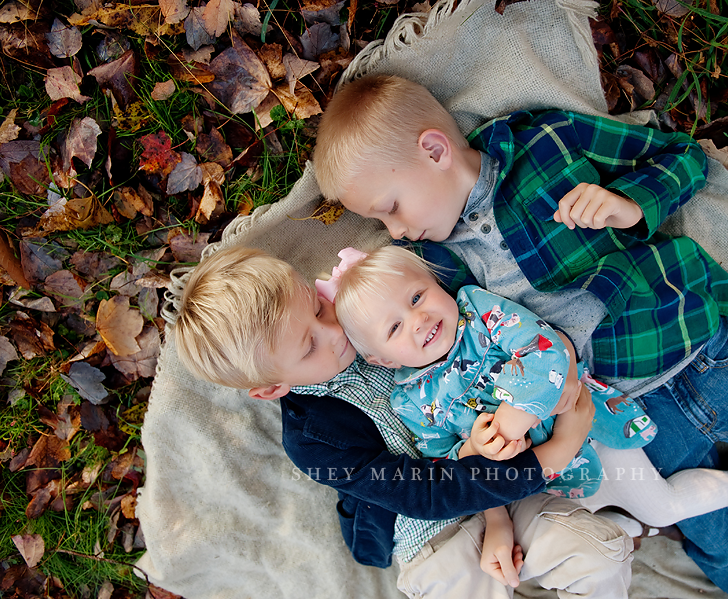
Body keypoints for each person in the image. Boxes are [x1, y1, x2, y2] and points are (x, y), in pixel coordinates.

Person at [312, 73, 728, 599]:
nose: (397, 232)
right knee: (714, 539)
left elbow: (681, 157)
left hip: (694, 344)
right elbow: (432, 358)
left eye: (391, 210)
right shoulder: (429, 271)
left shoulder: (545, 144)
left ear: (434, 151)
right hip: (624, 411)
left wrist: (630, 205)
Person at [172, 245, 635, 598]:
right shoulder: (312, 441)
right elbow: (424, 493)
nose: (334, 334)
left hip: (510, 483)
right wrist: (553, 454)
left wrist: (559, 366)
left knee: (597, 553)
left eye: (316, 308)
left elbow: (493, 321)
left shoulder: (381, 308)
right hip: (437, 533)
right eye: (308, 346)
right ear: (272, 388)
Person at [328, 244, 728, 589]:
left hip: (590, 435)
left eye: (417, 297)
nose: (419, 319)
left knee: (660, 502)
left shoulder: (478, 311)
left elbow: (544, 350)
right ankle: (633, 526)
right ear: (381, 360)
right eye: (394, 328)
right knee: (574, 542)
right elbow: (454, 470)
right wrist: (491, 504)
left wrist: (509, 423)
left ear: (437, 287)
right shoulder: (410, 401)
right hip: (541, 482)